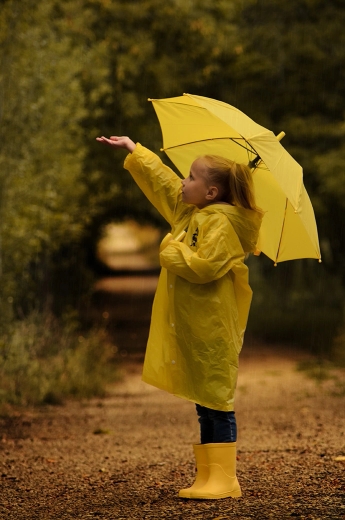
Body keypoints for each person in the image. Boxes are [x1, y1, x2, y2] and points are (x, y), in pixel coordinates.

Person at [96, 135, 263, 500]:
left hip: (213, 325)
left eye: (191, 177)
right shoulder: (194, 212)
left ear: (211, 191)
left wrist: (169, 250)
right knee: (204, 402)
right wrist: (135, 152)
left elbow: (204, 267)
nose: (183, 181)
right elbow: (166, 186)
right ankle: (209, 476)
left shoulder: (222, 225)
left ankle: (225, 478)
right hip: (194, 325)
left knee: (217, 400)